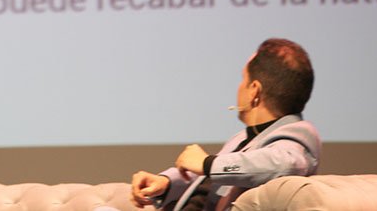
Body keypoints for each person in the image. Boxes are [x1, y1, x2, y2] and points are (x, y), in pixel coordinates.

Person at [130, 38, 321, 210]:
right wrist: (166, 182)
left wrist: (207, 163)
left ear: (254, 91)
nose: (239, 87)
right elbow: (215, 178)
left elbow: (285, 165)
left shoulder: (299, 135)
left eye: (243, 79)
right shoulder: (244, 137)